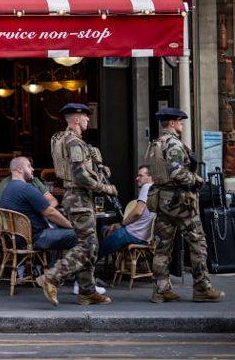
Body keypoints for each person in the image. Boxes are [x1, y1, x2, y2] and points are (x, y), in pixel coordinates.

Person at [35, 103, 114, 307]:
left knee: (90, 244)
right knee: (87, 245)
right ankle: (52, 277)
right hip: (79, 197)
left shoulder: (61, 139)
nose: (89, 120)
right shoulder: (74, 142)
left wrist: (97, 168)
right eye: (86, 117)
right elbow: (80, 176)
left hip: (75, 197)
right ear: (77, 119)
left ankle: (87, 291)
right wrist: (104, 188)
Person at [145, 108, 226, 303]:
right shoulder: (173, 144)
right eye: (180, 122)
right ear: (172, 123)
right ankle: (202, 288)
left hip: (162, 202)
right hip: (181, 202)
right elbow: (177, 173)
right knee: (198, 243)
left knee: (162, 246)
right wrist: (197, 179)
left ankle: (161, 290)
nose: (182, 125)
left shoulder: (155, 144)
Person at [0, 156, 77, 253]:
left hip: (17, 238)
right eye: (29, 166)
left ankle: (49, 266)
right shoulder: (26, 188)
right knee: (81, 235)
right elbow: (50, 213)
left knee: (57, 227)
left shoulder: (7, 189)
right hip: (35, 238)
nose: (32, 169)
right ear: (19, 169)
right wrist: (71, 225)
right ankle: (65, 267)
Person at [97, 166, 156, 260]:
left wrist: (121, 224)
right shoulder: (155, 190)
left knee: (99, 246)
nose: (137, 178)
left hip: (135, 235)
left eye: (140, 176)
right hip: (142, 235)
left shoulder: (147, 187)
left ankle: (89, 266)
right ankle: (107, 263)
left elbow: (138, 212)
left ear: (151, 178)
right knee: (104, 229)